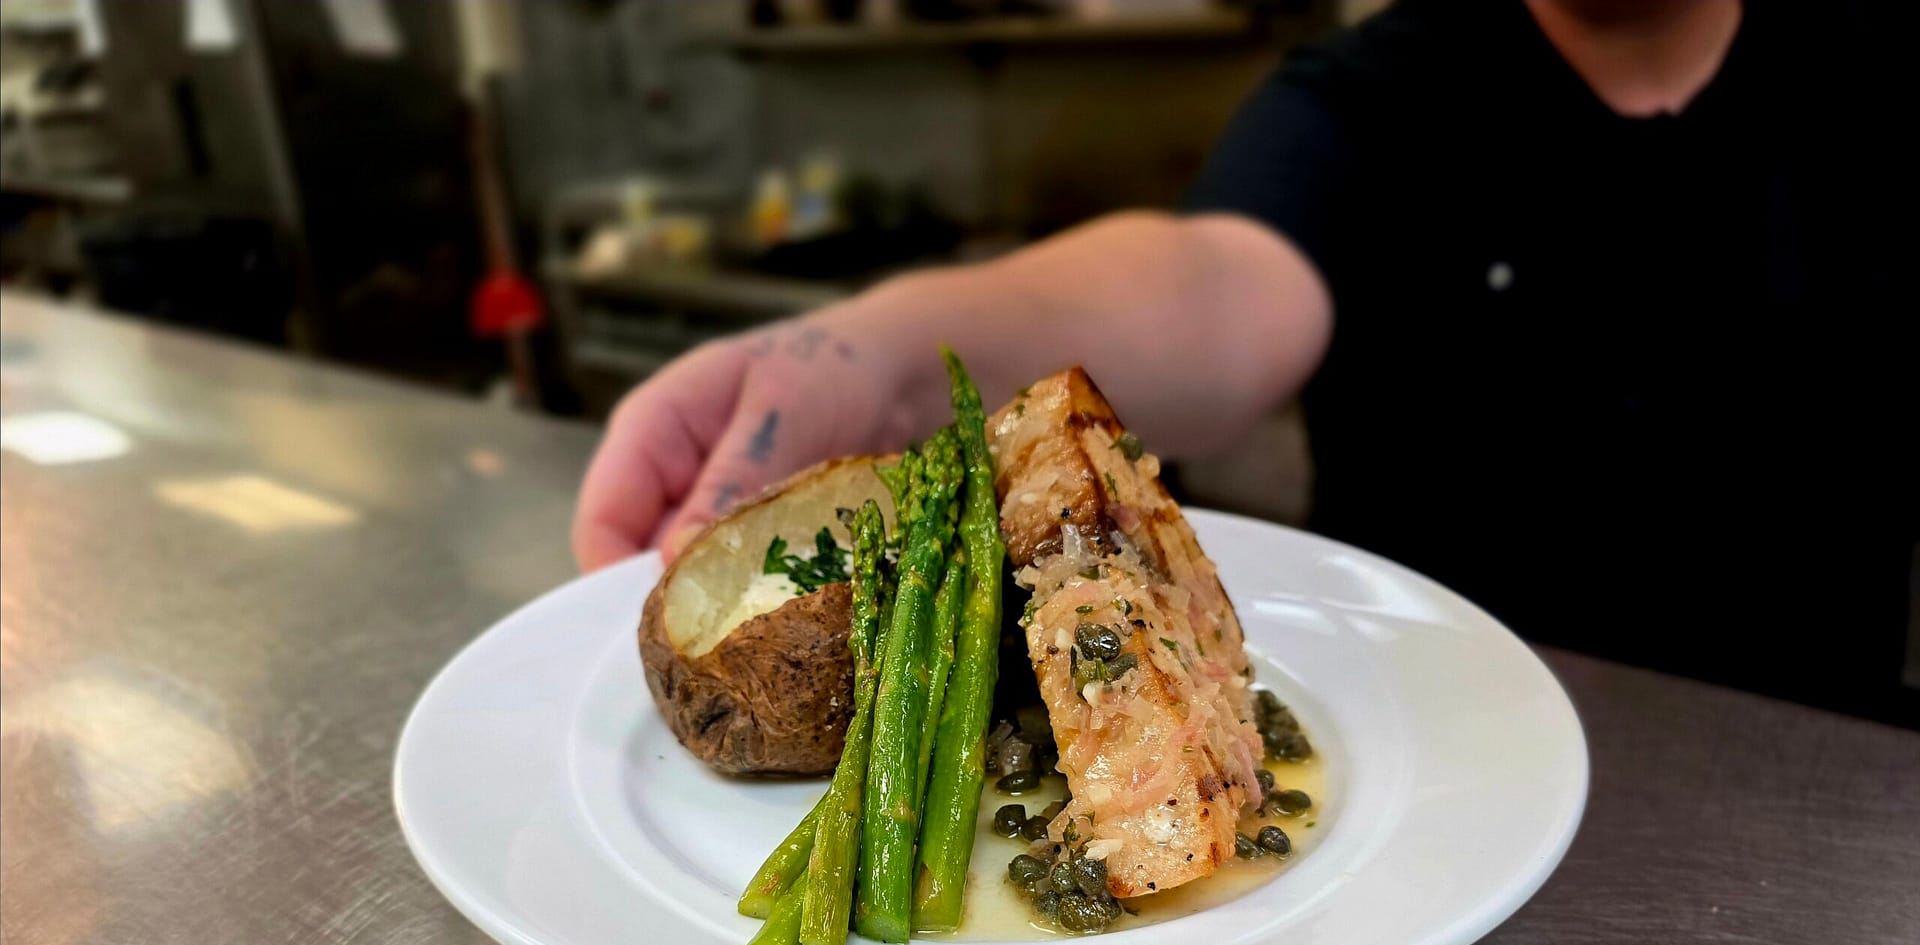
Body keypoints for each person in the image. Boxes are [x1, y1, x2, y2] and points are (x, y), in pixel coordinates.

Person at [574, 0, 1914, 727]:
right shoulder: (1375, 94)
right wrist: (886, 360)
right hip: (1418, 775)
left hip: (1836, 787)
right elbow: (1214, 284)